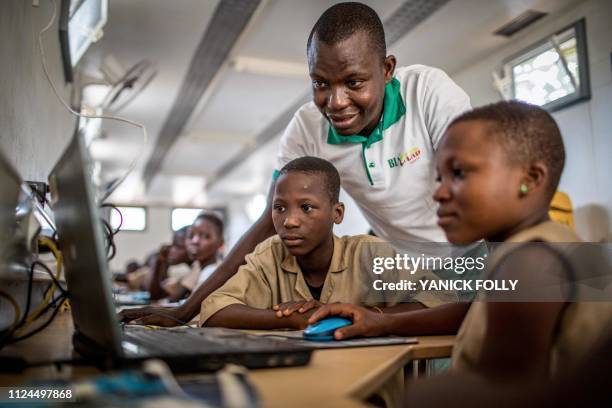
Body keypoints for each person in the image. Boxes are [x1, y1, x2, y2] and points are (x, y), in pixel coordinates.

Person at [119, 2, 472, 326]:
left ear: (387, 69)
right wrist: (184, 310)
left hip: (471, 253)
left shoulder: (428, 92)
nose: (335, 102)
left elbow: (470, 182)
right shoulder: (306, 128)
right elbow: (265, 226)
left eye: (354, 82)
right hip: (400, 266)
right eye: (320, 83)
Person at [309, 101, 612, 378]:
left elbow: (499, 393)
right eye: (440, 177)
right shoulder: (544, 246)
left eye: (459, 173)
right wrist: (379, 322)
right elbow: (476, 310)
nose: (439, 192)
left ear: (529, 179)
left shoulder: (530, 262)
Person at [202, 157, 445, 329]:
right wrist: (291, 319)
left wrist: (369, 316)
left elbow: (440, 299)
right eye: (279, 208)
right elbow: (214, 308)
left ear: (337, 213)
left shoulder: (369, 253)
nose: (289, 221)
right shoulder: (270, 254)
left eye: (306, 208)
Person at [150, 213, 224, 302]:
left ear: (220, 243)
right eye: (191, 235)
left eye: (205, 236)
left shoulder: (212, 272)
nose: (194, 241)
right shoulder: (198, 266)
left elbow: (187, 309)